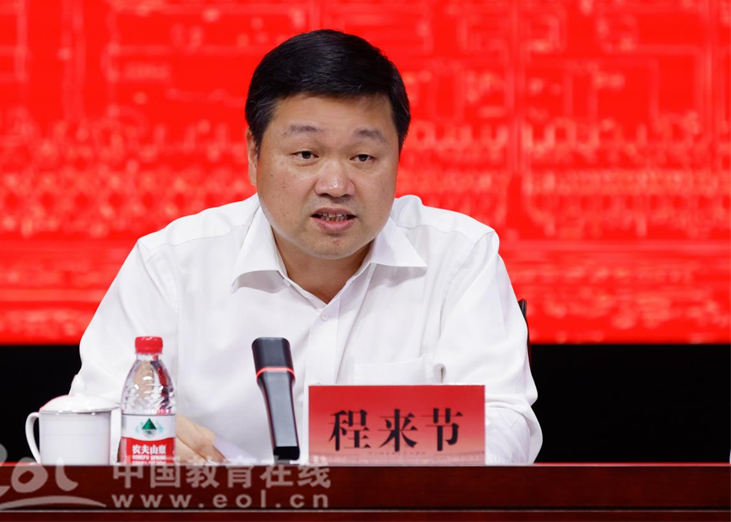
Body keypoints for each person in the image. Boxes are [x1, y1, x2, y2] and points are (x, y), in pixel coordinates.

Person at [74, 29, 542, 465]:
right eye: (306, 155)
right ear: (254, 154)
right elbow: (90, 418)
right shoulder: (171, 266)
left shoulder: (459, 259)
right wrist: (133, 439)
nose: (336, 184)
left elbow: (503, 426)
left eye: (363, 157)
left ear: (398, 157)